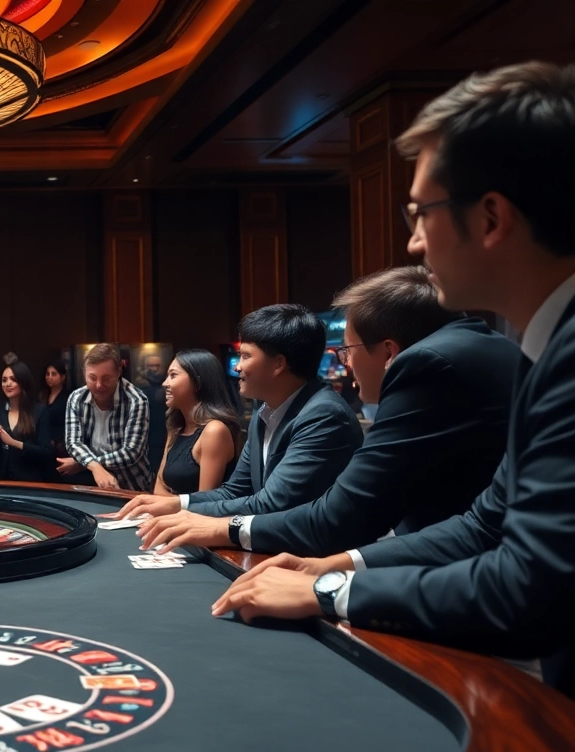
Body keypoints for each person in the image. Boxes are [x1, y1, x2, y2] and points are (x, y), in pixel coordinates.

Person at [211, 62, 575, 699]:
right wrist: (343, 563)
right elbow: (486, 521)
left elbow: (528, 592)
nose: (412, 243)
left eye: (421, 213)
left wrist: (327, 591)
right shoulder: (538, 345)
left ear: (491, 219)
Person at [137, 266, 518, 555]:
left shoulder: (338, 408)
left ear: (389, 353)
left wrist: (221, 528)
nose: (345, 364)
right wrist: (179, 504)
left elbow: (341, 516)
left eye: (347, 351)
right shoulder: (265, 411)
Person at [107, 305, 363, 519]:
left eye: (245, 356)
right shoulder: (264, 415)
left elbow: (271, 504)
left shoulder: (324, 415)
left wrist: (196, 521)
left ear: (278, 364)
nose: (237, 367)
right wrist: (176, 504)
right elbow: (235, 491)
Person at [58, 344, 152, 490]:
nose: (99, 385)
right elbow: (73, 443)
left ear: (119, 372)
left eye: (106, 378)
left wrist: (85, 464)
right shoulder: (76, 398)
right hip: (92, 483)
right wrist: (94, 467)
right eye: (92, 378)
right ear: (84, 374)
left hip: (132, 484)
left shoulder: (136, 400)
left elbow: (131, 452)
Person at [153, 350, 242, 496]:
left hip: (201, 518)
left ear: (197, 383)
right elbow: (158, 488)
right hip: (174, 516)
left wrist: (168, 504)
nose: (165, 383)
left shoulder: (214, 431)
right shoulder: (176, 427)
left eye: (173, 375)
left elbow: (204, 503)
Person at [0, 360, 53, 482]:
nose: (7, 384)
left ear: (23, 382)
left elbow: (46, 452)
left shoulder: (39, 411)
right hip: (0, 479)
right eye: (4, 380)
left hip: (29, 480)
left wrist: (14, 443)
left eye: (13, 379)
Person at [135, 352, 170, 476]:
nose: (154, 369)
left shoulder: (169, 386)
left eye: (157, 366)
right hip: (144, 438)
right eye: (150, 366)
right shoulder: (136, 388)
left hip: (165, 434)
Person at [41, 360, 71, 459]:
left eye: (54, 374)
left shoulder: (68, 397)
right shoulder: (42, 396)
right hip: (44, 440)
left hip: (61, 443)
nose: (49, 377)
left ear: (62, 377)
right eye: (47, 374)